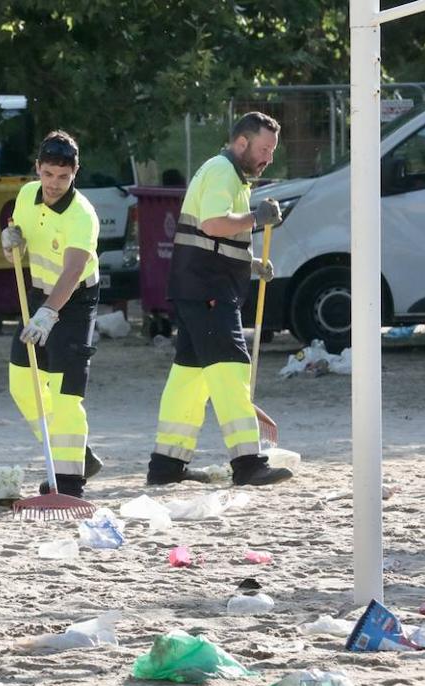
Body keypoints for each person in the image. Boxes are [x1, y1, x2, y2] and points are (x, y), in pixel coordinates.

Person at [146, 111, 290, 487]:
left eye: (271, 151)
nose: (268, 158)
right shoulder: (225, 172)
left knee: (189, 380)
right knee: (230, 370)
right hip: (208, 290)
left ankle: (166, 465)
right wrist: (256, 218)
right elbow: (214, 223)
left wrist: (251, 262)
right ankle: (247, 462)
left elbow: (212, 234)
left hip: (198, 287)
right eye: (264, 149)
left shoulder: (226, 173)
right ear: (241, 142)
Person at [0, 130, 104, 499]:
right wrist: (10, 244)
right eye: (48, 175)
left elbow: (73, 271)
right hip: (38, 293)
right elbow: (16, 242)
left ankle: (70, 482)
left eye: (63, 176)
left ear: (75, 173)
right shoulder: (27, 195)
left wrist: (47, 315)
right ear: (38, 169)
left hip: (74, 301)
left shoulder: (82, 216)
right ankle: (77, 455)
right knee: (22, 383)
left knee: (64, 393)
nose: (54, 184)